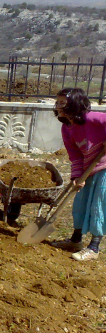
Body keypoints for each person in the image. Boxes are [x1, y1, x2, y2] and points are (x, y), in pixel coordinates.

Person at [50, 87, 106, 261]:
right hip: (88, 167)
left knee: (98, 205)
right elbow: (74, 153)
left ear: (74, 104)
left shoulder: (92, 118)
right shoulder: (67, 128)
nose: (58, 106)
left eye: (62, 102)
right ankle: (76, 240)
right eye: (57, 102)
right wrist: (76, 176)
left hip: (104, 167)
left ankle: (94, 247)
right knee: (80, 204)